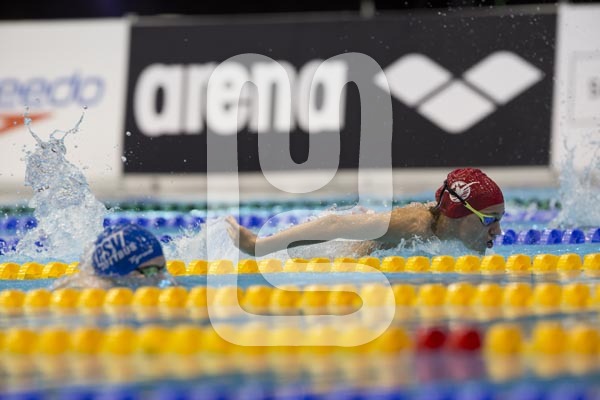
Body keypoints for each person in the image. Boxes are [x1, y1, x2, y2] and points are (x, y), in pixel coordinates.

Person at [227, 168, 504, 256]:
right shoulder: (415, 225)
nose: (498, 230)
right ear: (458, 212)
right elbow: (334, 225)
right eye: (489, 219)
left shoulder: (458, 241)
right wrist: (259, 246)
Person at [52, 223, 175, 289]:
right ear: (122, 270)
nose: (162, 277)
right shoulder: (95, 291)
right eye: (150, 271)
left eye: (163, 268)